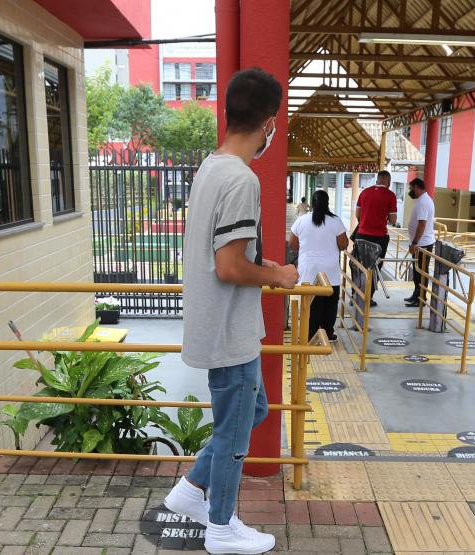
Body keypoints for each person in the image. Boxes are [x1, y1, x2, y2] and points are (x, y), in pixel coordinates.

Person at [167, 67, 298, 555]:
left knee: (252, 410)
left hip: (217, 323)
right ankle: (220, 528)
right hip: (229, 328)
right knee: (234, 431)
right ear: (270, 122)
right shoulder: (241, 179)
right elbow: (227, 266)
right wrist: (279, 276)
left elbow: (221, 252)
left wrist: (261, 263)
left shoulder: (210, 166)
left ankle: (190, 491)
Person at [289, 189, 348, 343]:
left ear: (312, 204)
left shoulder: (301, 221)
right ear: (327, 203)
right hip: (331, 271)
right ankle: (328, 334)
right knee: (330, 303)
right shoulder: (335, 221)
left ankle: (310, 334)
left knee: (311, 304)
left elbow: (293, 245)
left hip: (308, 270)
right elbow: (343, 245)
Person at [354, 170, 397, 306]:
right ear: (388, 181)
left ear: (377, 179)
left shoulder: (365, 192)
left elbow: (358, 214)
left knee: (359, 265)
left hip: (361, 235)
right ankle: (368, 297)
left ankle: (356, 294)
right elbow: (393, 219)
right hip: (379, 237)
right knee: (375, 267)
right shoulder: (390, 195)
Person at [404, 178, 436, 307]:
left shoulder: (423, 202)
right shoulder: (422, 200)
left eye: (411, 188)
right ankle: (416, 294)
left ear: (416, 187)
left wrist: (415, 242)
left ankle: (421, 298)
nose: (410, 191)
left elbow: (422, 224)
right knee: (417, 271)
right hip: (420, 243)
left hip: (422, 244)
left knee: (421, 272)